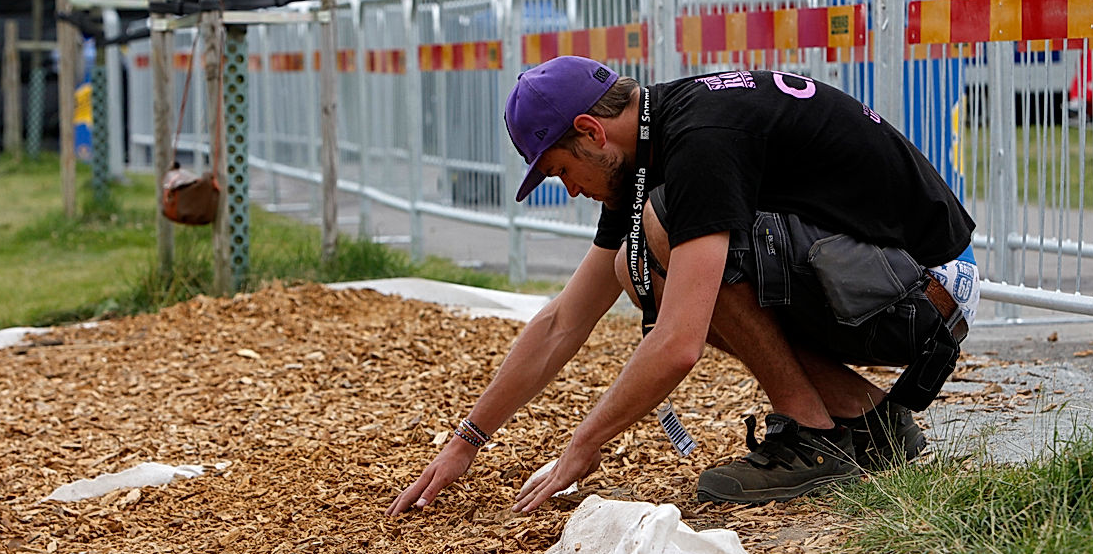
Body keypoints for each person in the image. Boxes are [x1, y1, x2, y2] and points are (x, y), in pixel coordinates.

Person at [387, 56, 977, 514]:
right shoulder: (650, 144)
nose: (568, 189)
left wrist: (584, 443)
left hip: (925, 297)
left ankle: (811, 437)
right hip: (892, 281)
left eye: (562, 171)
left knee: (666, 238)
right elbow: (564, 320)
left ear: (591, 131)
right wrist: (469, 439)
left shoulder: (700, 138)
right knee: (633, 266)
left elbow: (678, 343)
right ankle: (872, 424)